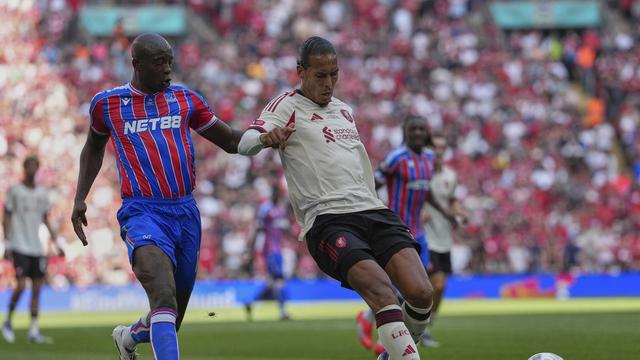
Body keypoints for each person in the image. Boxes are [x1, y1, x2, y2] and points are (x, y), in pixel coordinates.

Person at [70, 33, 284, 360]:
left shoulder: (185, 99)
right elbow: (93, 148)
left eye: (170, 61)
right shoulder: (107, 105)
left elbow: (229, 141)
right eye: (159, 63)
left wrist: (266, 138)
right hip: (142, 211)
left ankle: (128, 338)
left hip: (185, 213)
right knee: (163, 298)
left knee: (171, 315)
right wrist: (80, 197)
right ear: (136, 65)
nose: (168, 69)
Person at [238, 36, 432, 360]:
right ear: (300, 71)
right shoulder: (285, 106)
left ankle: (393, 355)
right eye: (320, 76)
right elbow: (244, 143)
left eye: (334, 74)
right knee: (382, 291)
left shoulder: (344, 111)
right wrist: (264, 138)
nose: (328, 83)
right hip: (328, 219)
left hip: (372, 210)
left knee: (421, 294)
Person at [356, 116, 455, 353]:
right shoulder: (396, 158)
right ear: (406, 132)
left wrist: (444, 212)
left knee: (419, 287)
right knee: (408, 286)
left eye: (422, 129)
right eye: (414, 129)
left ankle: (372, 322)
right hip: (396, 230)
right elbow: (373, 183)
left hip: (419, 233)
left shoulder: (430, 158)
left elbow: (425, 188)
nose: (419, 133)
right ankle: (388, 340)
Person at [2, 156, 63, 344]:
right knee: (20, 285)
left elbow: (45, 218)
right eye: (28, 166)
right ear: (24, 168)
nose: (31, 170)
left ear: (37, 169)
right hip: (19, 244)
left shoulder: (42, 194)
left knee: (37, 288)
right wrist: (7, 242)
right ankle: (8, 321)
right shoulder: (15, 192)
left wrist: (56, 242)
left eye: (34, 167)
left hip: (36, 247)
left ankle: (34, 330)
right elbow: (6, 216)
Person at [421, 132, 468, 346]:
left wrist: (460, 212)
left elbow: (453, 200)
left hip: (443, 238)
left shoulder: (450, 175)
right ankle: (412, 327)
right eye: (435, 147)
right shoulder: (422, 173)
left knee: (439, 287)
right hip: (423, 237)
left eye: (442, 147)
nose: (439, 151)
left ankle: (425, 327)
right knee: (428, 286)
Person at [244, 184, 291, 321]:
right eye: (277, 193)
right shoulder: (265, 209)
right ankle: (283, 312)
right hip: (270, 250)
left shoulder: (281, 210)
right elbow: (258, 229)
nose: (278, 196)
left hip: (278, 250)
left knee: (272, 283)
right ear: (273, 194)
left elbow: (282, 231)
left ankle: (250, 303)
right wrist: (251, 250)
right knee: (279, 280)